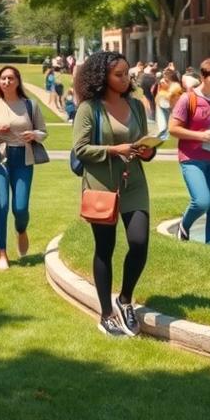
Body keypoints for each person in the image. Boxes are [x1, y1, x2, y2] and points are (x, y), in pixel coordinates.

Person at [72, 50, 156, 339]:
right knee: (104, 249)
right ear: (103, 77)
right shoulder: (89, 108)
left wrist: (148, 149)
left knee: (139, 241)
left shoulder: (136, 106)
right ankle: (106, 313)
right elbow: (80, 149)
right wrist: (114, 150)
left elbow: (146, 149)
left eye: (127, 73)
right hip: (101, 186)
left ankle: (125, 300)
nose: (125, 79)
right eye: (118, 75)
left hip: (134, 183)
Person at [0, 66, 48, 271]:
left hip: (23, 159)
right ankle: (2, 254)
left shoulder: (30, 105)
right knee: (1, 206)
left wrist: (34, 135)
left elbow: (43, 131)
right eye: (3, 79)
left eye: (10, 78)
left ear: (17, 81)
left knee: (20, 208)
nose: (6, 82)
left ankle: (21, 229)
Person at [168, 57, 210, 245]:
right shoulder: (188, 99)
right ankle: (184, 224)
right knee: (202, 201)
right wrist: (201, 136)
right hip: (192, 159)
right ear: (205, 76)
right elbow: (173, 129)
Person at [155, 67, 182, 137]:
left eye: (165, 75)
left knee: (166, 121)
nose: (164, 78)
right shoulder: (166, 83)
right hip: (164, 103)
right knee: (163, 120)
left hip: (169, 104)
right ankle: (164, 133)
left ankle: (164, 134)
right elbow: (160, 91)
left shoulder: (175, 85)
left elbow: (172, 96)